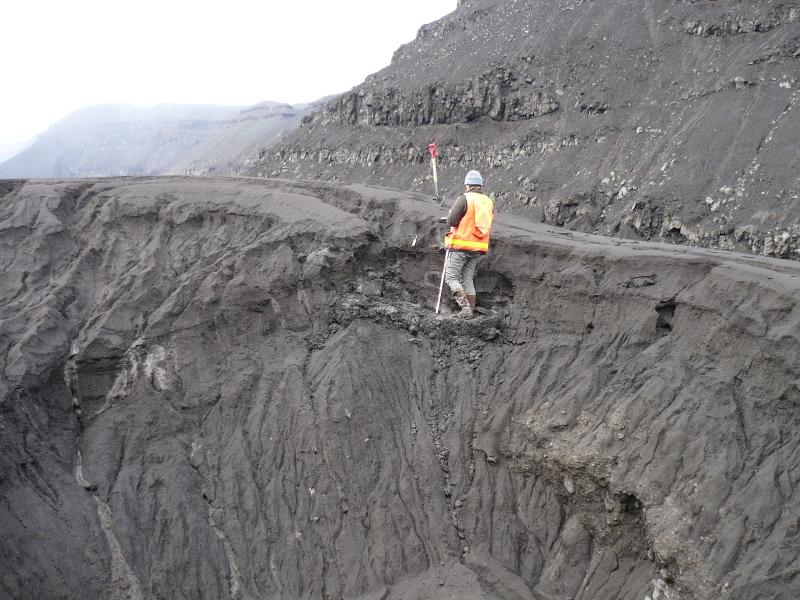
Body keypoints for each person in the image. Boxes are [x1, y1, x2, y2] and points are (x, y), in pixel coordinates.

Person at [441, 170, 494, 318]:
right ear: (480, 186)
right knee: (467, 278)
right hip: (478, 248)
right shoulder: (488, 202)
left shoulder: (465, 198)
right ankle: (471, 309)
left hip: (461, 246)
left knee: (451, 277)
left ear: (468, 185)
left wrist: (447, 218)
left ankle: (465, 310)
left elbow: (452, 221)